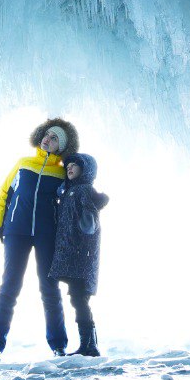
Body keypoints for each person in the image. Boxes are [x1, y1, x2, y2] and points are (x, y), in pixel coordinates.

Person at [0, 118, 79, 359]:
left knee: (50, 290)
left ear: (62, 146)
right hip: (16, 231)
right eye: (47, 134)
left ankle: (59, 346)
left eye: (55, 138)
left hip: (48, 235)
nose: (48, 139)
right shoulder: (23, 164)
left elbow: (80, 186)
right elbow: (4, 194)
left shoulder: (61, 173)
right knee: (9, 288)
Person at [49, 152, 108, 357]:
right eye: (68, 166)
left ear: (86, 170)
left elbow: (90, 221)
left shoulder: (83, 190)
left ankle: (89, 345)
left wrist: (85, 236)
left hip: (81, 256)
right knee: (77, 298)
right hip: (74, 255)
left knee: (79, 298)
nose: (70, 168)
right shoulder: (68, 192)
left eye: (75, 165)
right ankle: (88, 344)